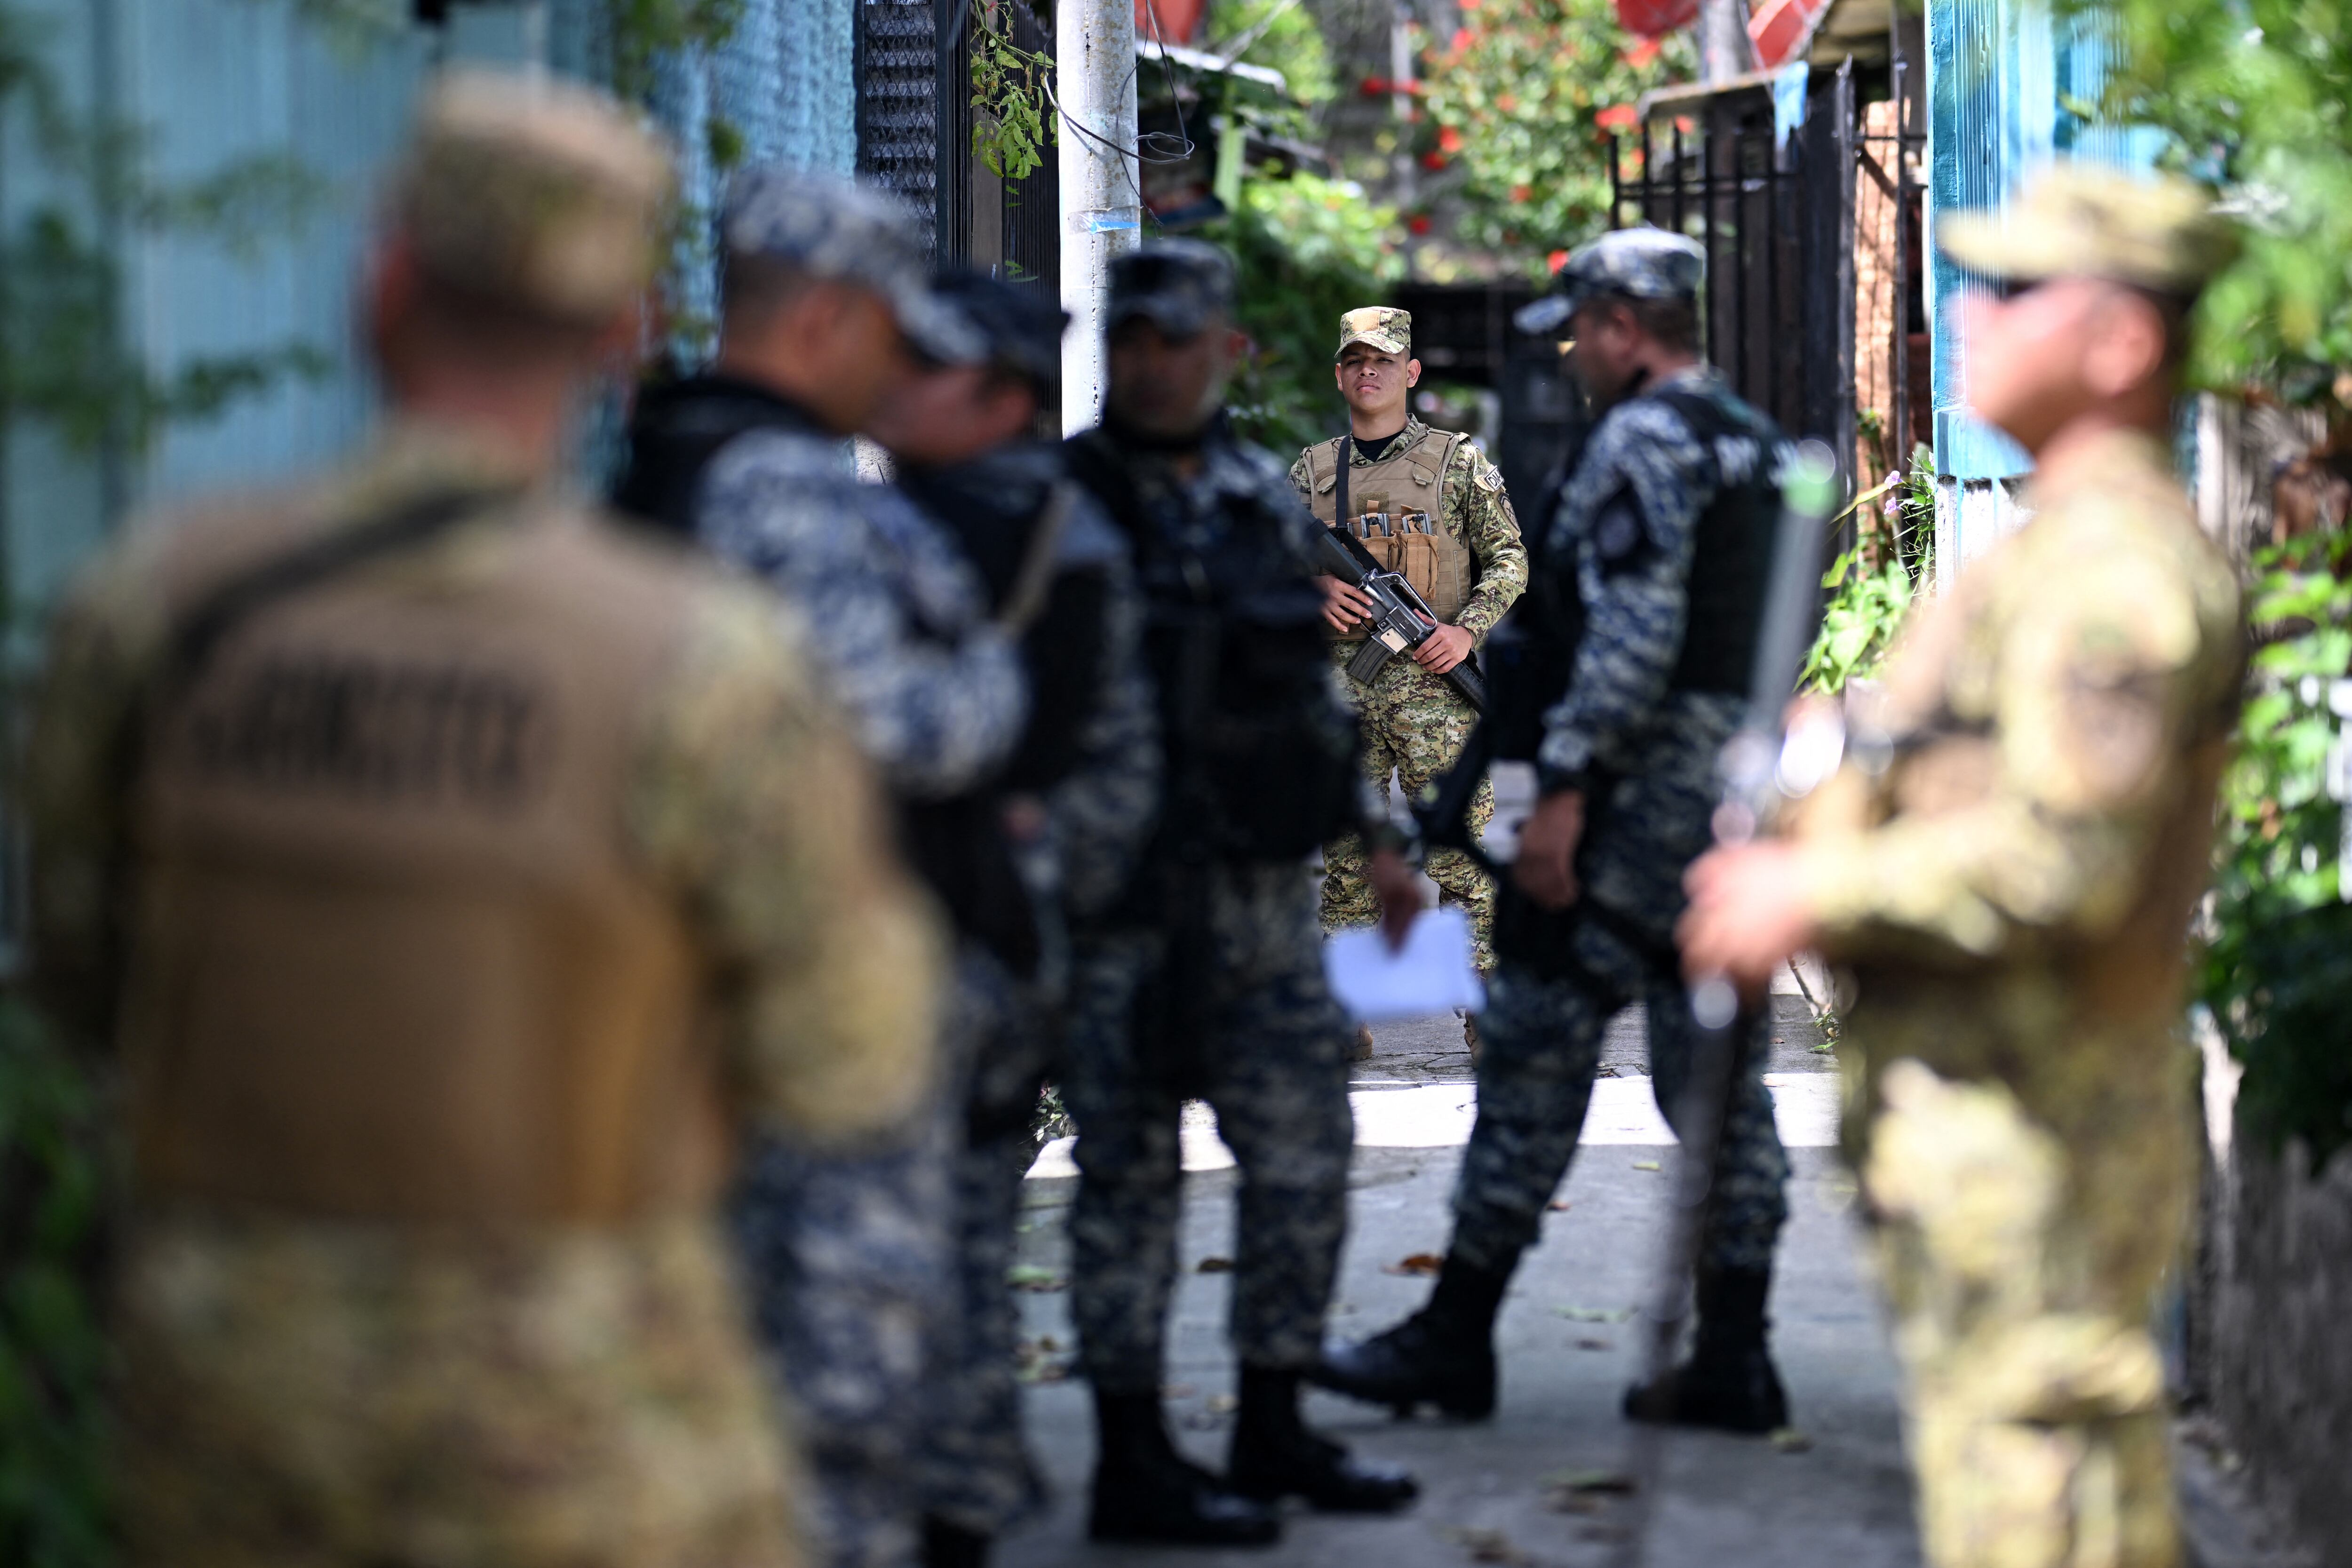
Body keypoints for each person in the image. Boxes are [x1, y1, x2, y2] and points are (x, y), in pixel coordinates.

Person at [22, 72, 944, 1568]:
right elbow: (849, 1077)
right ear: (622, 336)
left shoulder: (159, 610)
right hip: (589, 1427)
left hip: (226, 1419)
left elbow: (80, 994)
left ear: (382, 283)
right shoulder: (705, 667)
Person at [1678, 166, 2244, 1568]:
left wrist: (1812, 894)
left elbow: (2069, 857)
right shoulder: (2045, 550)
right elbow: (1962, 766)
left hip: (2048, 1131)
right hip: (1985, 1128)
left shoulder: (2117, 573)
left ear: (2120, 342)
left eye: (2014, 290)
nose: (1972, 317)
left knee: (2046, 1516)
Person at [1311, 228, 1797, 1434]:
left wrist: (1565, 793)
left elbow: (1629, 637)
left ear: (1629, 323)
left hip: (1634, 808)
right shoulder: (1737, 435)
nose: (1576, 353)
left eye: (1585, 329)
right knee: (1715, 1071)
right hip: (1720, 796)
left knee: (1531, 1050)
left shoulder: (1642, 441)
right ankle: (1735, 1349)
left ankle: (1454, 1333)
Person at [611, 168, 1027, 1568]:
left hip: (726, 986)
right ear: (830, 318)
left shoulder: (667, 454)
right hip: (809, 1007)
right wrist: (991, 681)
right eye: (891, 340)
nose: (900, 373)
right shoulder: (781, 485)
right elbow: (897, 723)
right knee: (839, 1397)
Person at [1057, 239, 1424, 1548]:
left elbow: (1304, 698)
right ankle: (1133, 1454)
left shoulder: (1256, 501)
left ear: (1225, 353)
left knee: (1305, 1155)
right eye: (1136, 341)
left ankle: (1273, 1419)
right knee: (1129, 1183)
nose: (1159, 363)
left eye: (1182, 340)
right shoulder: (1063, 502)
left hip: (1264, 909)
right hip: (1122, 911)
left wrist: (1377, 839)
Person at [865, 270, 1160, 1568]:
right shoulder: (1046, 516)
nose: (888, 384)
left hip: (967, 941)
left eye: (921, 367)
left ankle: (955, 1494)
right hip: (998, 934)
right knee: (964, 1239)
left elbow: (1101, 763)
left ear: (996, 392)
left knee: (941, 1239)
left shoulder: (984, 527)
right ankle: (967, 1481)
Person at [1293, 307, 1528, 1052]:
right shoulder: (1313, 470)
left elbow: (1511, 560)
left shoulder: (1458, 462)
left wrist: (1466, 631)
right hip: (1344, 685)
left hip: (1436, 685)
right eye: (1356, 360)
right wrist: (1315, 592)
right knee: (1347, 854)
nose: (1370, 371)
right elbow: (1264, 560)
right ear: (1340, 374)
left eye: (1385, 360)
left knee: (1465, 850)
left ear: (1412, 373)